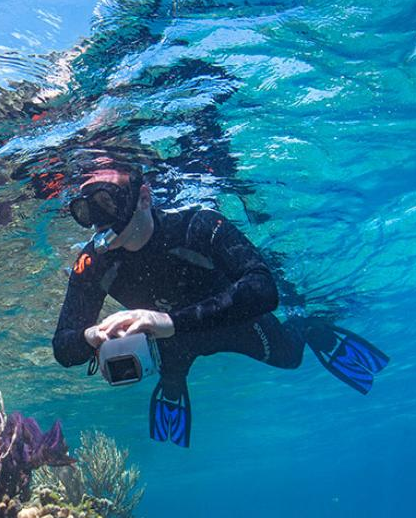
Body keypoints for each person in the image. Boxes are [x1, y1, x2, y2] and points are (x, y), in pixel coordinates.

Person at [53, 163, 388, 447]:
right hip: (170, 341)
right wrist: (92, 336)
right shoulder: (92, 262)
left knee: (291, 357)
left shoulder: (195, 224)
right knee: (170, 373)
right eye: (86, 210)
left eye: (106, 203)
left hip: (232, 323)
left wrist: (169, 322)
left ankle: (308, 327)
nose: (98, 221)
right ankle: (172, 381)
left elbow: (263, 289)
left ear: (142, 198)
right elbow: (63, 348)